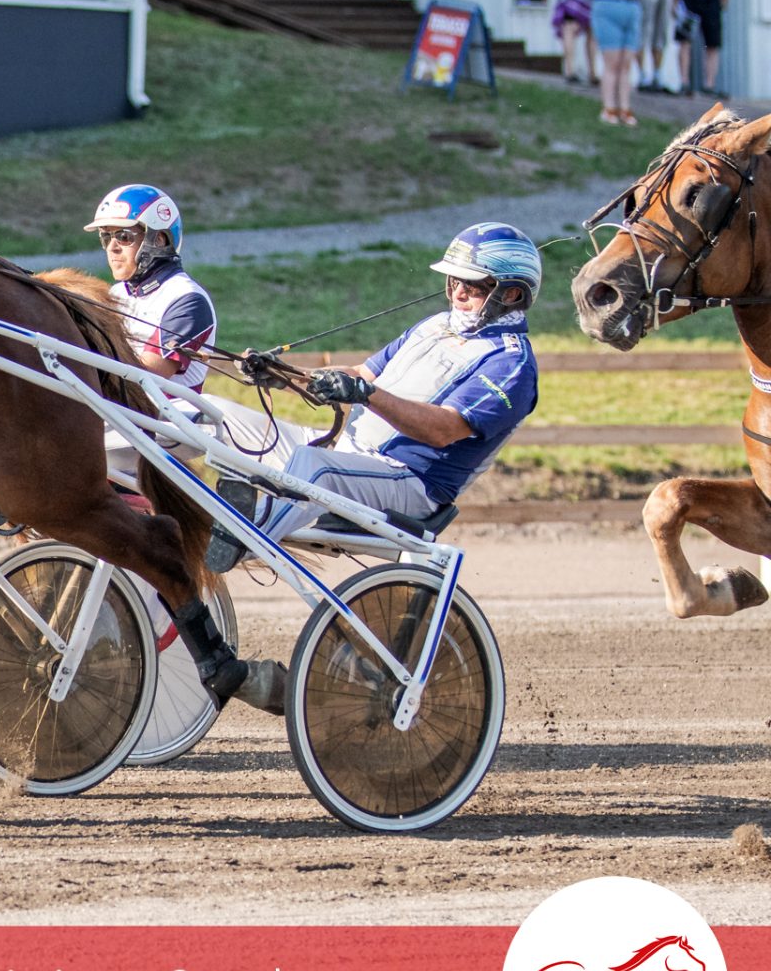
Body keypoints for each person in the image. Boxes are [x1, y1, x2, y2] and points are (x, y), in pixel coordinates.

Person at [206, 225, 542, 709]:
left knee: (315, 469)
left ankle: (231, 535)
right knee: (213, 414)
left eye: (473, 284)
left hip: (410, 486)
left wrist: (367, 394)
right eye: (454, 280)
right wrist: (282, 375)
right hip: (346, 454)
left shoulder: (511, 364)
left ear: (510, 293)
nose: (458, 291)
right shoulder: (433, 326)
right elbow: (359, 377)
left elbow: (443, 429)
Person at [84, 184, 218, 477]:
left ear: (159, 239)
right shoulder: (115, 294)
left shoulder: (187, 300)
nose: (112, 248)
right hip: (120, 418)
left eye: (124, 236)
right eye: (106, 237)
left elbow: (145, 377)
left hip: (165, 424)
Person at [590, 0, 647, 126]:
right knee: (611, 63)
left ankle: (624, 108)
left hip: (630, 10)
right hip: (608, 11)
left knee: (626, 64)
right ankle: (609, 108)